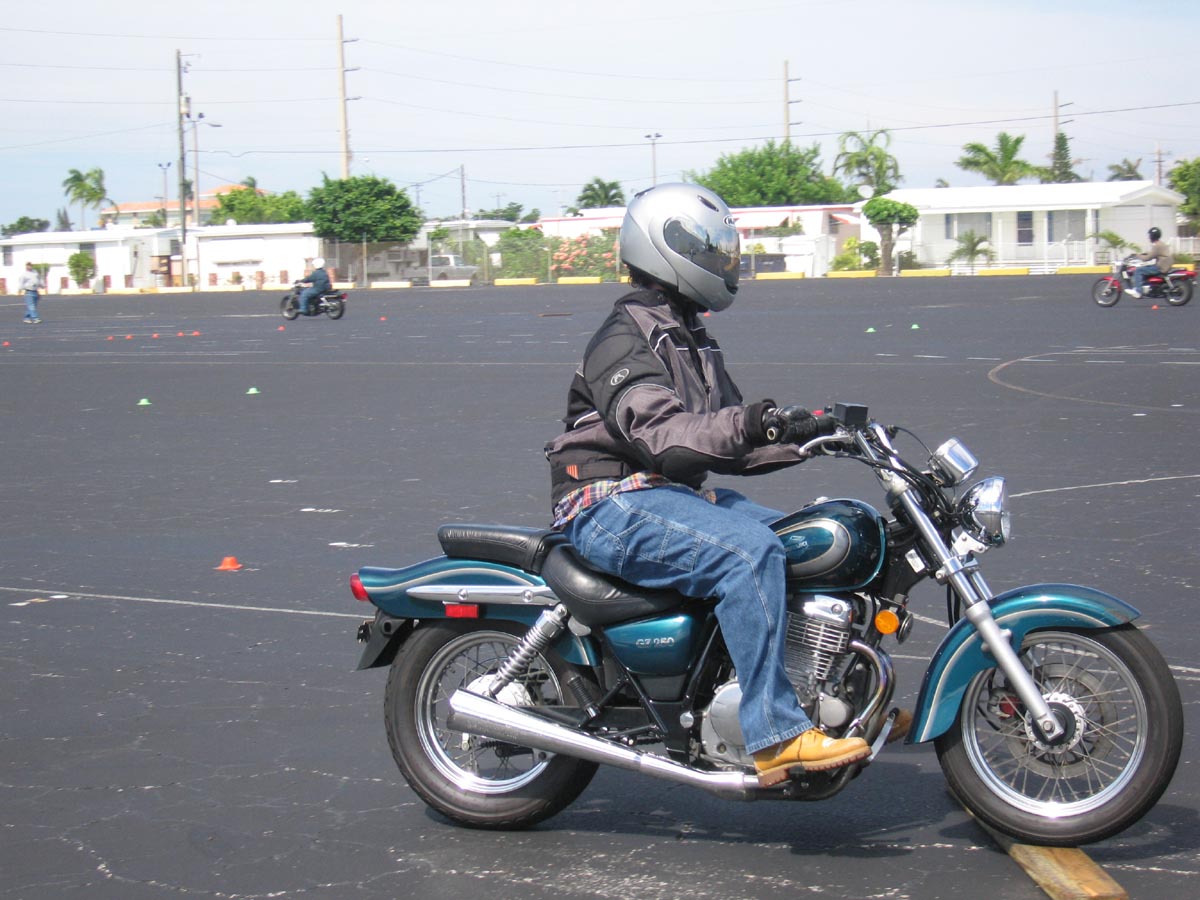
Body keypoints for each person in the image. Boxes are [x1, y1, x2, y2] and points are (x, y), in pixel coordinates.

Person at [544, 183, 871, 787]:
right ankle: (776, 735)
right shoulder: (624, 338)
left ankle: (832, 698)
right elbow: (664, 436)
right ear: (667, 248)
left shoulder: (691, 335)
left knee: (805, 537)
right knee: (750, 554)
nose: (724, 260)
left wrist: (814, 433)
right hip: (609, 500)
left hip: (669, 494)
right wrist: (751, 424)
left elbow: (728, 436)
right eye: (710, 249)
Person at [1127, 227, 1173, 298]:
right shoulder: (1160, 244)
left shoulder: (1157, 245)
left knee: (1138, 270)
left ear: (1153, 236)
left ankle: (1138, 291)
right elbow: (1153, 253)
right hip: (1164, 265)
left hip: (1160, 267)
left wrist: (1137, 256)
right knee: (1145, 268)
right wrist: (1143, 254)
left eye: (1150, 235)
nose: (1149, 237)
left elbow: (1147, 258)